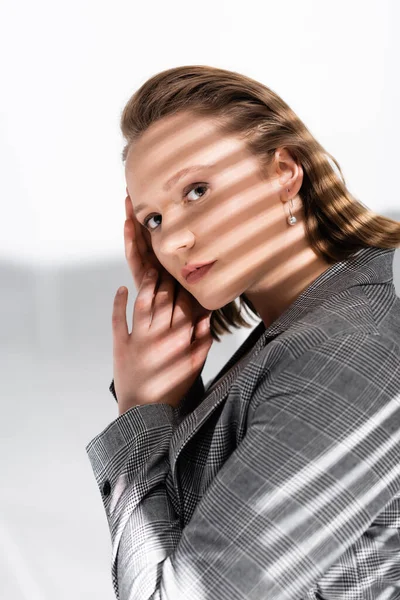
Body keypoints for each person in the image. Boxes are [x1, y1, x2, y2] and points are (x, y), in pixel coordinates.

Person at [85, 65, 400, 599]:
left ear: (283, 172)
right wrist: (171, 399)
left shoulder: (342, 352)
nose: (175, 238)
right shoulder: (296, 338)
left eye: (197, 189)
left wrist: (139, 416)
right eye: (154, 219)